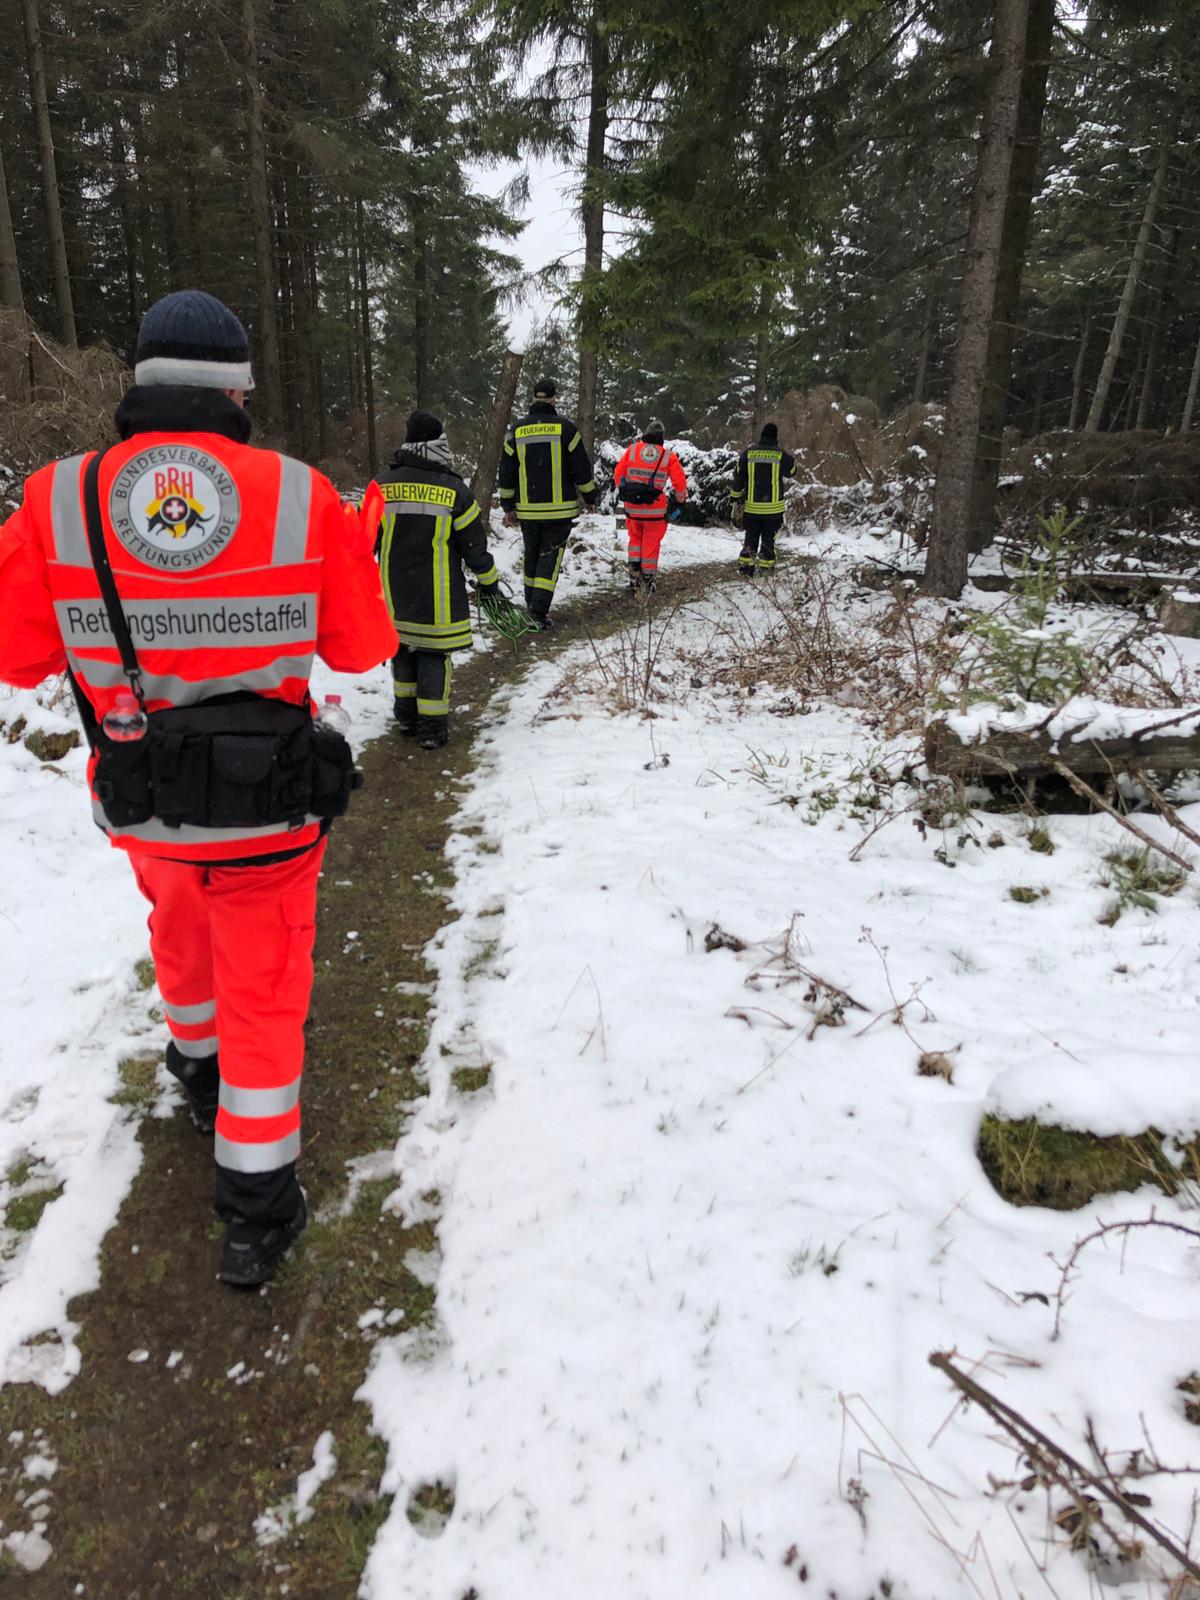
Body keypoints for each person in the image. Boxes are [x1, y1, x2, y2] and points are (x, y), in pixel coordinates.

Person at [0, 290, 397, 1288]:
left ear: (136, 385)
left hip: (145, 805)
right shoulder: (304, 496)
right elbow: (364, 645)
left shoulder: (53, 500)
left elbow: (14, 657)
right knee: (267, 991)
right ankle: (258, 1208)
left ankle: (197, 1070)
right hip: (267, 814)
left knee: (179, 934)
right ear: (239, 392)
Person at [375, 410, 501, 749]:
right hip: (437, 598)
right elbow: (474, 548)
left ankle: (405, 715)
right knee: (433, 655)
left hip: (395, 595)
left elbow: (362, 541)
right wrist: (490, 583)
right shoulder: (454, 490)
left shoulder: (381, 485)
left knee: (402, 650)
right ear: (437, 444)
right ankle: (431, 727)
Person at [497, 376, 597, 630]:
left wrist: (508, 506)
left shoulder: (516, 431)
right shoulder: (566, 429)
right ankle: (538, 613)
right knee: (548, 559)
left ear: (534, 397)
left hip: (527, 510)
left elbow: (506, 472)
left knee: (531, 557)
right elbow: (581, 469)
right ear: (554, 399)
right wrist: (590, 497)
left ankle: (532, 605)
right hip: (559, 511)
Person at [612, 420, 689, 592]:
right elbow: (680, 483)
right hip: (655, 511)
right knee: (650, 545)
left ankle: (634, 578)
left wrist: (626, 490)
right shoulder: (667, 456)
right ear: (662, 436)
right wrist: (681, 501)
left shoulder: (632, 450)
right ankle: (647, 581)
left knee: (635, 541)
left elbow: (618, 473)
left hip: (633, 509)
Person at [730, 422, 796, 577]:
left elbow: (738, 476)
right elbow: (792, 471)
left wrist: (735, 497)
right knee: (768, 542)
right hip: (773, 510)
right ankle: (765, 570)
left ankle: (746, 569)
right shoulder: (779, 454)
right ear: (775, 437)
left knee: (750, 539)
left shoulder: (748, 453)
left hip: (752, 509)